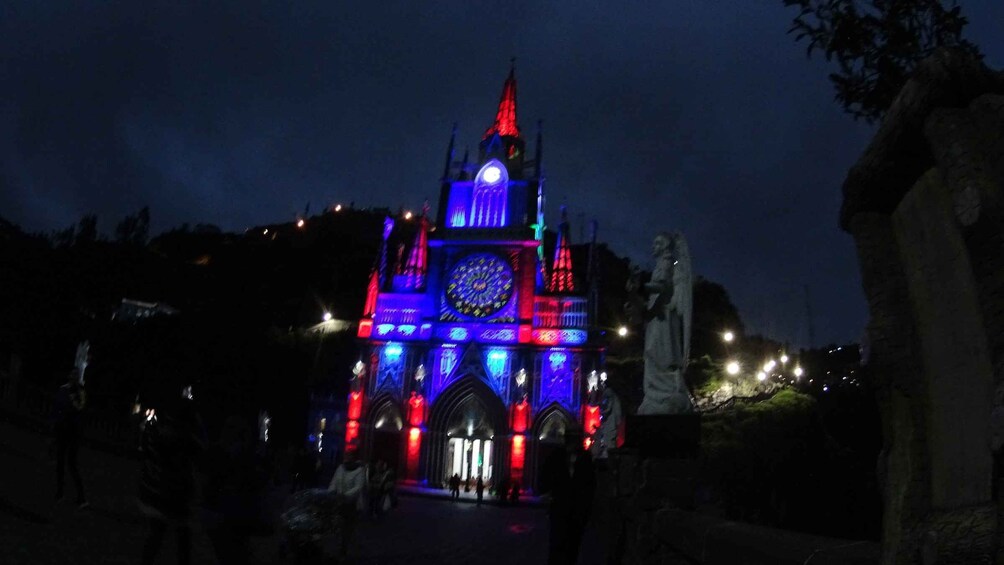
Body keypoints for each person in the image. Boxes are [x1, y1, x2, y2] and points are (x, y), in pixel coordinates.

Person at [139, 382, 207, 565]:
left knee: (157, 536)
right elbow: (202, 454)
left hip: (156, 491)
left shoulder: (158, 432)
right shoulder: (186, 440)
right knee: (182, 537)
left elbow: (146, 451)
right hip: (175, 495)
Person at [201, 415, 270, 565]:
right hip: (232, 515)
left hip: (218, 514)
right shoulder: (244, 458)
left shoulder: (216, 452)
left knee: (227, 553)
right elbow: (255, 485)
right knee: (235, 554)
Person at [53, 368, 87, 507]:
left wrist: (74, 394)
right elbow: (56, 408)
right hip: (62, 431)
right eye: (72, 374)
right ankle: (60, 493)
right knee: (60, 463)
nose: (73, 377)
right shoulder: (63, 389)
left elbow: (79, 408)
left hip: (73, 433)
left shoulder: (80, 392)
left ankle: (81, 497)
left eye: (76, 375)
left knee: (72, 465)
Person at [328, 450, 367, 559]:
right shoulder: (341, 468)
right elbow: (334, 482)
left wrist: (345, 495)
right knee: (336, 526)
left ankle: (345, 549)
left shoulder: (359, 470)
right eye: (346, 455)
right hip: (338, 501)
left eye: (349, 456)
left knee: (347, 527)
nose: (347, 458)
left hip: (351, 504)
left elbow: (358, 487)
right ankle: (337, 547)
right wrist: (330, 492)